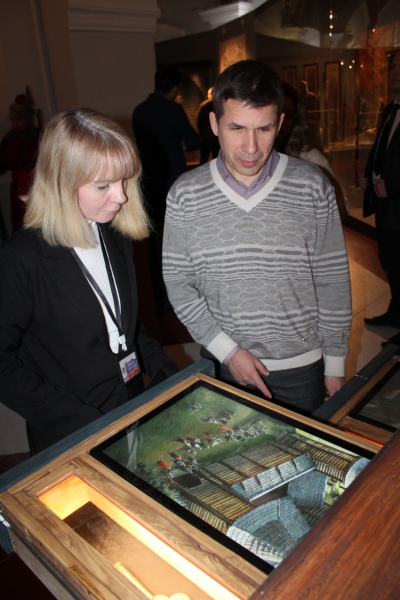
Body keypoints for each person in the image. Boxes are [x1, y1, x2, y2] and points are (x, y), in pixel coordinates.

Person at [163, 60, 352, 414]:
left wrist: (335, 362)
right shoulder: (185, 195)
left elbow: (332, 280)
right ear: (214, 124)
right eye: (237, 128)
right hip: (221, 364)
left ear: (280, 124)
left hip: (301, 369)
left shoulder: (312, 185)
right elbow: (178, 285)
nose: (250, 147)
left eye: (263, 129)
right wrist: (228, 351)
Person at [0, 107, 178, 455]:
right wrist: (76, 420)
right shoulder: (20, 260)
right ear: (62, 183)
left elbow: (119, 326)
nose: (121, 196)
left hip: (130, 411)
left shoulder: (113, 233)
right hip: (72, 433)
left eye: (124, 180)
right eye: (103, 185)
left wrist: (166, 372)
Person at [132, 67, 200, 314]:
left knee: (156, 244)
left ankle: (160, 299)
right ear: (175, 87)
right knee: (184, 242)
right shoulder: (173, 109)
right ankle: (187, 297)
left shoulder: (139, 111)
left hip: (150, 184)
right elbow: (194, 141)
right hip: (174, 184)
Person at [361, 51, 400, 329]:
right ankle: (396, 312)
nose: (395, 72)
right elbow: (382, 151)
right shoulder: (389, 109)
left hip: (397, 203)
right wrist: (368, 175)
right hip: (387, 207)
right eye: (393, 67)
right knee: (391, 264)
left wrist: (392, 186)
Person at [274, 82, 348, 222]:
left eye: (289, 116)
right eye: (277, 115)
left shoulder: (310, 156)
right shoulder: (254, 156)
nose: (282, 122)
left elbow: (339, 206)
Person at [0, 94, 41, 233]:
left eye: (19, 119)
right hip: (17, 188)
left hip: (36, 184)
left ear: (27, 119)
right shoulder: (9, 140)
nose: (15, 124)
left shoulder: (38, 137)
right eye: (13, 120)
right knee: (20, 222)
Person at [197, 87, 220, 165]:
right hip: (216, 138)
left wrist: (201, 134)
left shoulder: (204, 105)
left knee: (203, 158)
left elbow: (199, 121)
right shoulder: (220, 105)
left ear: (211, 94)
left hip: (205, 138)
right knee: (216, 159)